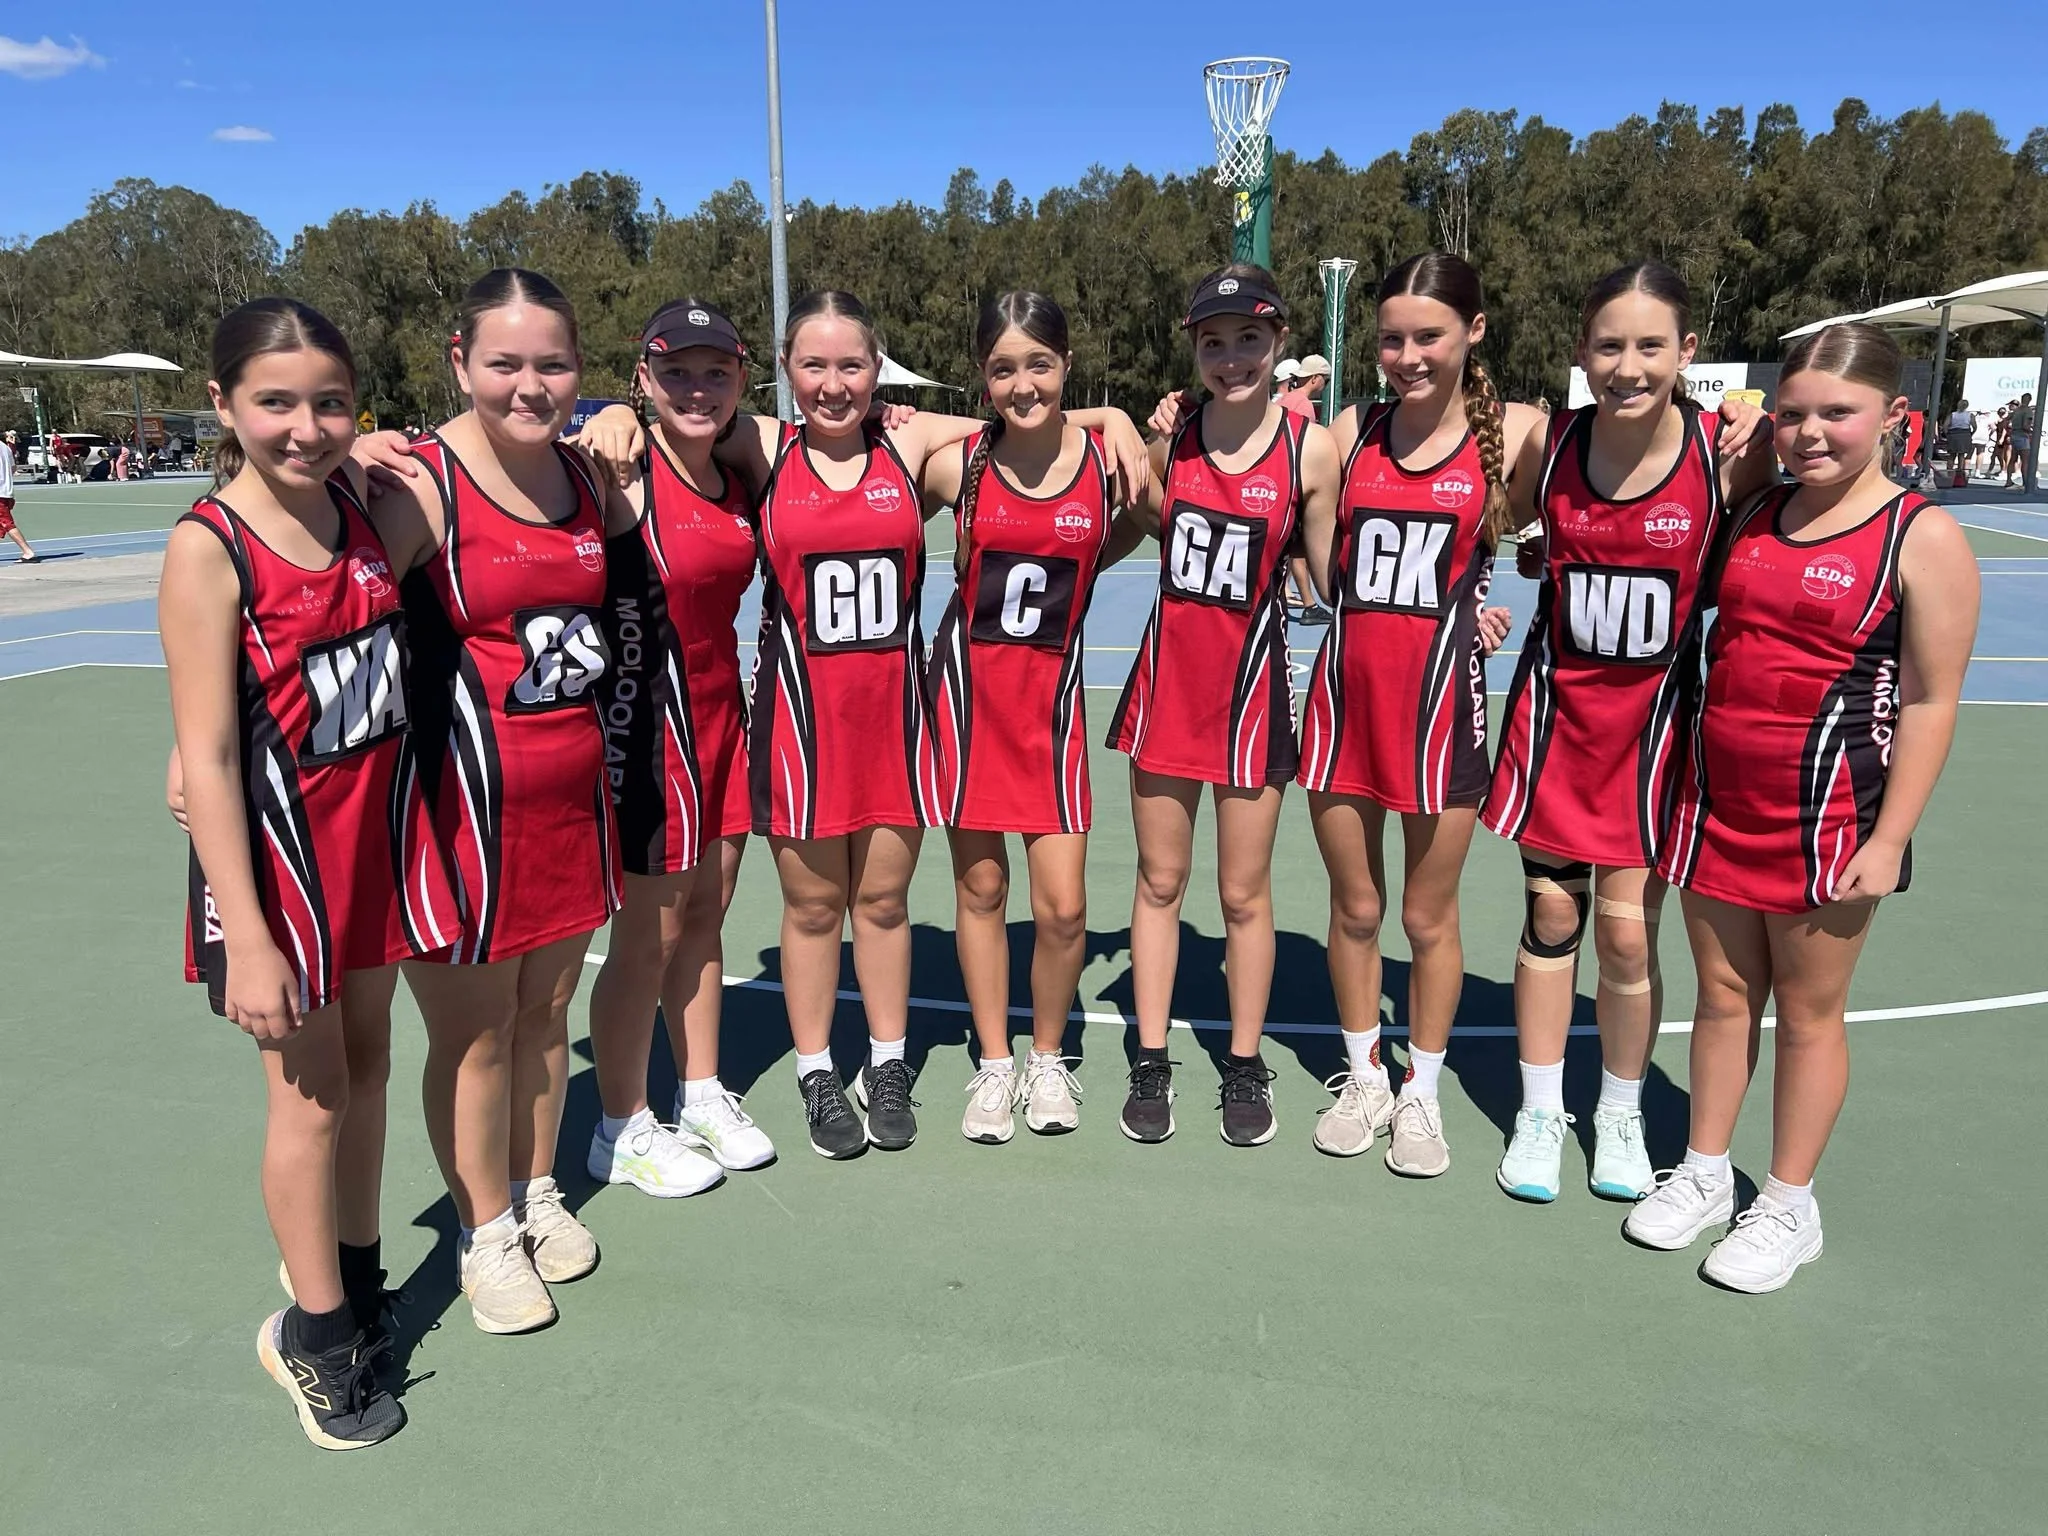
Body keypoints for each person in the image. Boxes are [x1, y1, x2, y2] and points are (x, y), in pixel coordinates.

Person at [580, 292, 1149, 1159]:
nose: (834, 383)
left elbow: (1023, 415)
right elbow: (670, 426)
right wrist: (620, 411)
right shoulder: (762, 446)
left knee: (882, 903)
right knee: (813, 908)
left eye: (852, 365)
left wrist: (1112, 417)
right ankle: (816, 1072)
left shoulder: (908, 444)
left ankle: (887, 1065)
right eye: (814, 365)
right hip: (801, 728)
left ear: (877, 370)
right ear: (784, 370)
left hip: (895, 722)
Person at [159, 297, 457, 1448]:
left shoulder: (368, 509)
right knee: (310, 1097)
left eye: (330, 402)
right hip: (278, 876)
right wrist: (247, 936)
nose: (305, 425)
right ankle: (315, 1338)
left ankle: (356, 1272)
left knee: (369, 1064)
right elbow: (208, 755)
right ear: (223, 403)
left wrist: (395, 447)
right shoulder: (209, 548)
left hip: (372, 844)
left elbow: (476, 455)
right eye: (274, 401)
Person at [1640, 323, 1979, 1291]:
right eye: (1792, 414)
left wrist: (1890, 838)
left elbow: (1930, 701)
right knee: (1719, 999)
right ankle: (1704, 1170)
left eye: (1838, 412)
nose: (1811, 433)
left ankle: (1789, 1204)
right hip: (1715, 800)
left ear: (1893, 416)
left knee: (1806, 1015)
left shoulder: (1920, 536)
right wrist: (1744, 456)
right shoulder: (1756, 510)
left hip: (1827, 816)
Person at [354, 268, 634, 1333]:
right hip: (457, 811)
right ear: (459, 363)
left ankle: (536, 1187)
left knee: (545, 1015)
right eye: (504, 362)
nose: (530, 385)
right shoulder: (419, 486)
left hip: (569, 803)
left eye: (552, 363)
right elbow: (317, 609)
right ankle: (484, 1232)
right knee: (474, 1037)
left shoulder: (587, 475)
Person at [1483, 260, 1776, 1205]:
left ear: (1687, 351)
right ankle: (1539, 1112)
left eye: (1651, 346)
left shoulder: (1725, 455)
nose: (1629, 365)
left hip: (1653, 739)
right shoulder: (1554, 443)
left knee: (1626, 938)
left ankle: (1619, 1111)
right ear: (1582, 351)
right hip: (1557, 727)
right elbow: (1482, 518)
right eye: (1609, 345)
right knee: (1551, 918)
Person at [1295, 252, 1532, 1175]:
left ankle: (1420, 1091)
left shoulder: (1517, 435)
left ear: (1474, 331)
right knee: (1356, 908)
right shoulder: (1350, 431)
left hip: (1442, 717)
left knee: (1428, 920)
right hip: (1344, 706)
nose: (1407, 356)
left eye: (1428, 336)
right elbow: (1288, 522)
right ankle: (1364, 1075)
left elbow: (1611, 495)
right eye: (1391, 339)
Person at [1113, 263, 1344, 1147]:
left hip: (1252, 699)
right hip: (1169, 689)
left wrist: (1461, 604)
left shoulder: (1309, 450)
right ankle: (1151, 1055)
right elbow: (1136, 521)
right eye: (1213, 342)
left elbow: (1329, 576)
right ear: (1194, 351)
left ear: (1278, 342)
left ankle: (1244, 1063)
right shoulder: (1172, 441)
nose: (1232, 357)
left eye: (1249, 338)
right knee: (1158, 883)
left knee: (1244, 893)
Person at [923, 292, 1131, 1143]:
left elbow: (1146, 523)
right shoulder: (959, 465)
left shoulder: (1107, 466)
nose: (1024, 384)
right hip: (968, 706)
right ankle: (994, 1060)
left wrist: (1112, 418)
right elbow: (862, 442)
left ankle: (1048, 1057)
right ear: (983, 378)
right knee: (982, 891)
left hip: (1050, 713)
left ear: (1067, 364)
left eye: (1040, 364)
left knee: (1063, 909)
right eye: (1003, 369)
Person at [583, 299, 771, 1194]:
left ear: (741, 379)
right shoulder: (616, 469)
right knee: (648, 938)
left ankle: (699, 1093)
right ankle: (618, 1127)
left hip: (723, 721)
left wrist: (1114, 417)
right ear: (643, 377)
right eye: (675, 372)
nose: (698, 389)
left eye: (716, 372)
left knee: (705, 918)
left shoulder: (737, 474)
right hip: (647, 731)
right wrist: (605, 418)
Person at [0, 431, 37, 562]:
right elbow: (13, 468)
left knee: (6, 523)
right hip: (6, 491)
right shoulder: (5, 448)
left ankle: (28, 552)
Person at [2012, 392, 2038, 494]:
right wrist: (2032, 431)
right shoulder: (2027, 411)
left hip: (2014, 434)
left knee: (2013, 459)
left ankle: (2009, 480)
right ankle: (2026, 483)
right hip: (2022, 436)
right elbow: (2025, 426)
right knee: (2025, 460)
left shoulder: (2017, 410)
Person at [1944, 400, 1974, 481]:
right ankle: (1959, 474)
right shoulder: (1970, 415)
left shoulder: (1952, 415)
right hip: (1965, 434)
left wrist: (1947, 434)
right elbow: (1974, 426)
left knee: (1951, 455)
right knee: (1961, 455)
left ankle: (1949, 473)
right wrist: (1971, 433)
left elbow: (1945, 425)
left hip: (1953, 434)